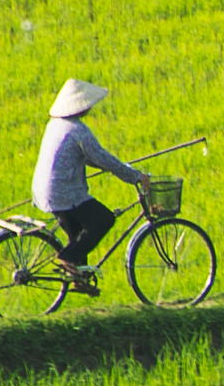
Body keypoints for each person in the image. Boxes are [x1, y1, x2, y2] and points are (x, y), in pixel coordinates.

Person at [32, 78, 149, 291]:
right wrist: (136, 177)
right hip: (65, 194)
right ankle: (66, 259)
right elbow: (102, 158)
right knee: (104, 219)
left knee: (78, 236)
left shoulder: (56, 125)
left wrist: (120, 168)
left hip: (45, 191)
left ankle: (79, 279)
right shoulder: (78, 131)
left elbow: (90, 158)